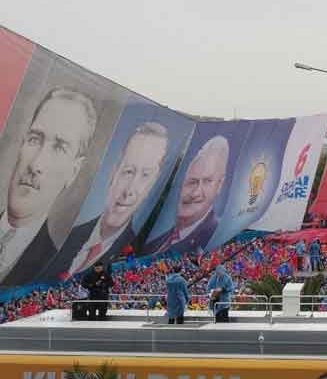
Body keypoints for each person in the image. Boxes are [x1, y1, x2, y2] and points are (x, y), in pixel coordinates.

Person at [42, 123, 169, 280]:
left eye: (145, 176)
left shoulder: (137, 251)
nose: (129, 191)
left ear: (152, 186)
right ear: (113, 172)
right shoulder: (66, 236)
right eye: (128, 171)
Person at [0, 88, 98, 286]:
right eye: (35, 139)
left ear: (73, 171)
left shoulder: (53, 265)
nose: (35, 165)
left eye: (59, 147)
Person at [145, 136, 229, 254]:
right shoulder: (155, 242)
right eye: (192, 182)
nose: (195, 193)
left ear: (220, 184)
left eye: (207, 181)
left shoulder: (215, 239)